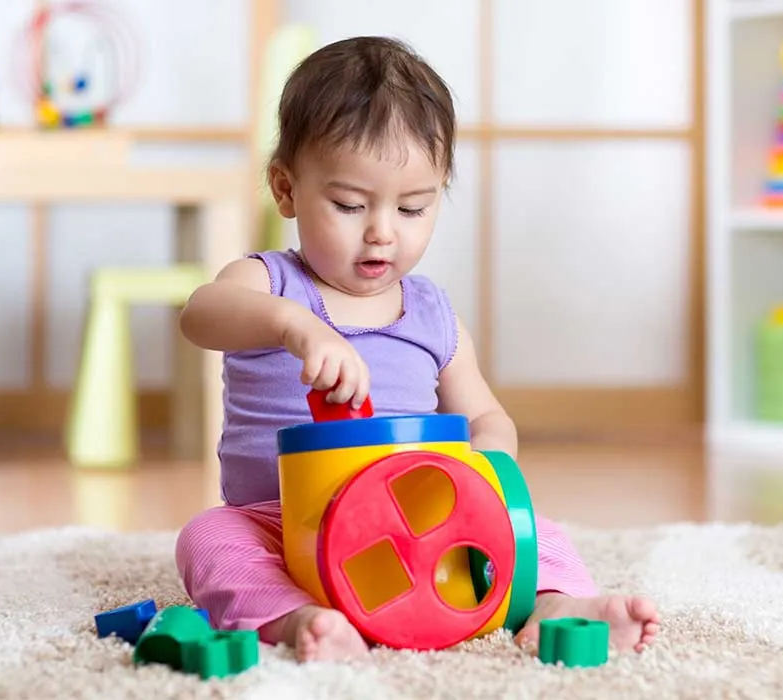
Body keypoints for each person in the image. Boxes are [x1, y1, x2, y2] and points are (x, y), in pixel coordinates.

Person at [175, 35, 659, 663]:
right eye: (349, 204)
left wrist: (484, 470)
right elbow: (200, 316)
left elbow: (486, 416)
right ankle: (301, 620)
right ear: (286, 189)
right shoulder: (267, 283)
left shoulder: (432, 315)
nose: (381, 231)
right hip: (282, 523)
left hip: (417, 529)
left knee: (536, 533)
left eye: (412, 208)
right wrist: (293, 326)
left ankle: (554, 605)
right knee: (208, 537)